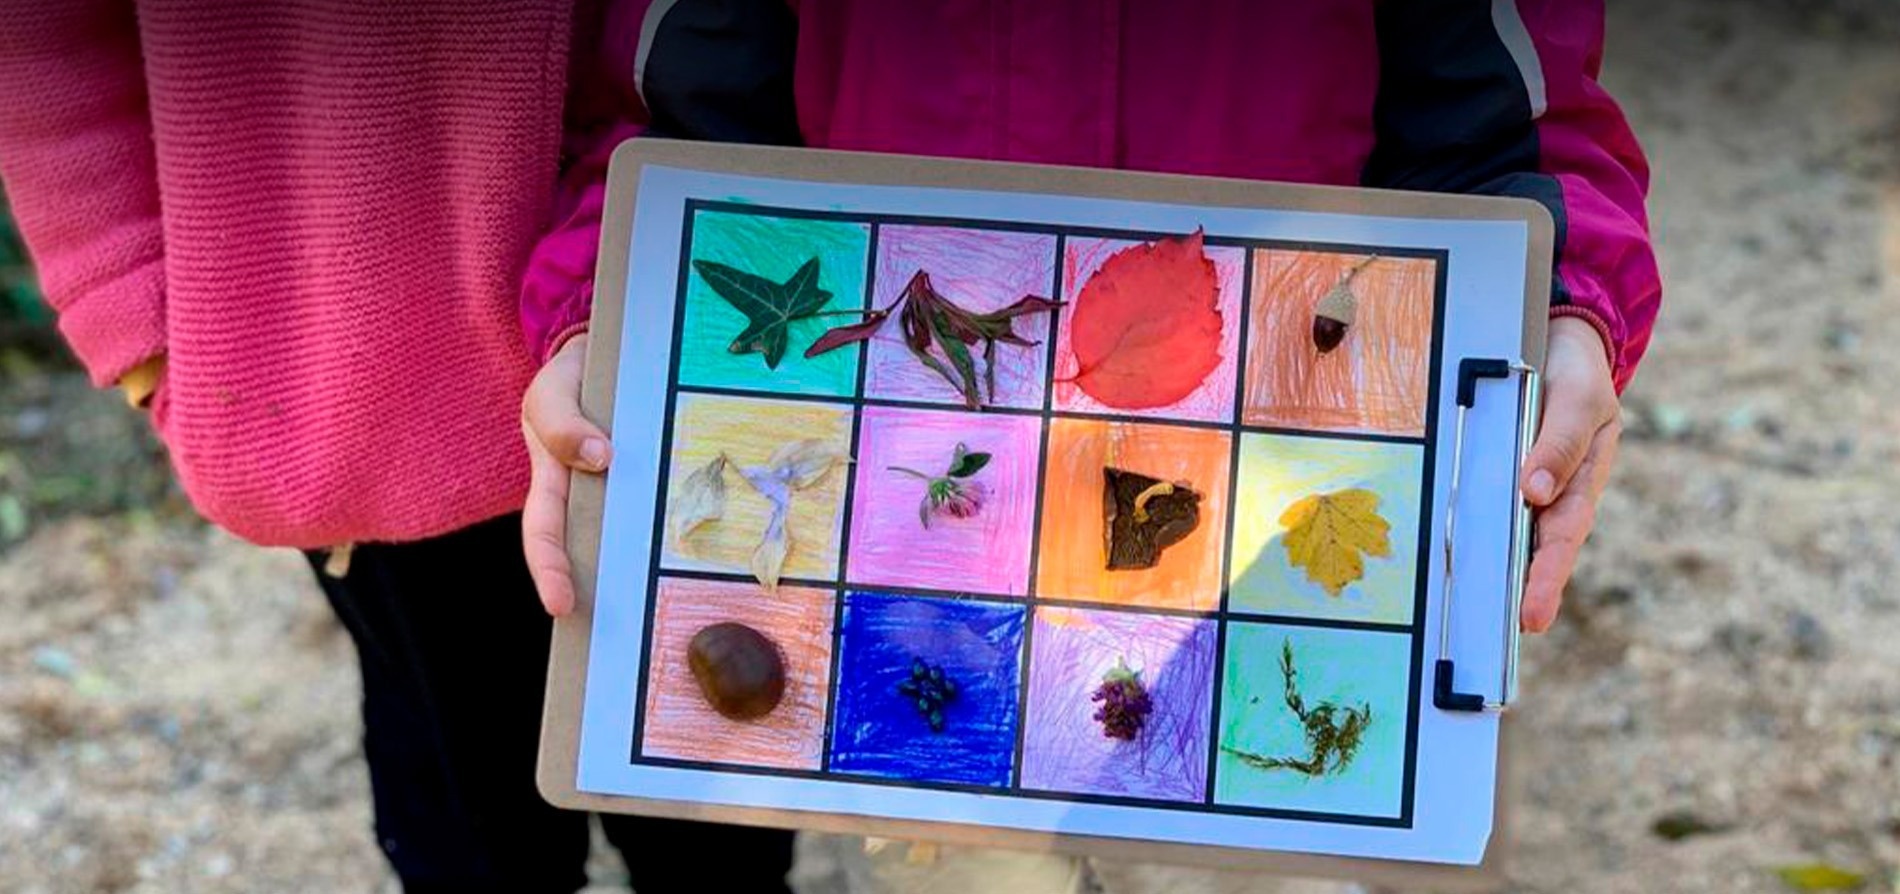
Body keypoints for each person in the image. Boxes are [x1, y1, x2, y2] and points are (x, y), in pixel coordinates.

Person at [517, 2, 1656, 892]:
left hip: (1281, 468)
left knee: (1253, 820)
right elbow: (670, 114)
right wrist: (605, 315)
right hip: (921, 538)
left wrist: (1561, 302)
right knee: (964, 863)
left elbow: (1509, 124)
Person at [0, 4, 793, 893]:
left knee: (717, 802)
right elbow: (44, 38)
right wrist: (136, 320)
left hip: (657, 350)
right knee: (465, 823)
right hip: (361, 409)